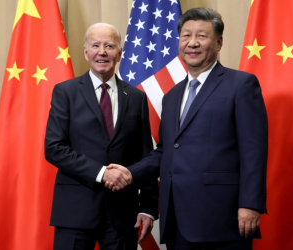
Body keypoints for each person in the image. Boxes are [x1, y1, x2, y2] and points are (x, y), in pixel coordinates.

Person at [106, 8, 268, 250]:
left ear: (219, 42)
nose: (192, 43)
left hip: (222, 218)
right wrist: (130, 173)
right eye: (185, 36)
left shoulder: (241, 85)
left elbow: (253, 151)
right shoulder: (172, 96)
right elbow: (166, 150)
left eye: (201, 36)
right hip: (178, 220)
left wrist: (250, 204)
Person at [44, 23, 158, 250]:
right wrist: (102, 173)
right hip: (75, 212)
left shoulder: (136, 97)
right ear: (86, 52)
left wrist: (147, 207)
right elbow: (54, 148)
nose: (102, 51)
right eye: (95, 45)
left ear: (120, 52)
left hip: (122, 214)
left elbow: (145, 157)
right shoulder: (65, 92)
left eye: (109, 45)